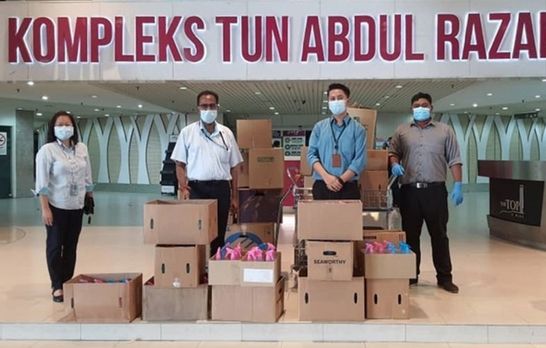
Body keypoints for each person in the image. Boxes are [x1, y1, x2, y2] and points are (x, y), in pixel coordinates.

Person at [388, 92, 463, 294]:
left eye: (424, 104)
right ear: (411, 108)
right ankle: (411, 276)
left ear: (431, 107)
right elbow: (393, 152)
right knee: (411, 236)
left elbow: (454, 159)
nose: (420, 108)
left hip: (435, 191)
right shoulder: (402, 131)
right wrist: (394, 164)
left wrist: (458, 184)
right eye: (416, 105)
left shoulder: (445, 131)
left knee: (439, 235)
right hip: (410, 192)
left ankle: (445, 278)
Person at [171, 90, 243, 256]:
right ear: (198, 108)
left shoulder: (226, 134)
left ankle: (215, 270)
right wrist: (183, 187)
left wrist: (235, 197)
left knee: (218, 234)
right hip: (197, 189)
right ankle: (198, 269)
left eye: (211, 106)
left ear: (217, 107)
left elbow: (235, 167)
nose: (208, 109)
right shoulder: (187, 133)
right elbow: (179, 163)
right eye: (204, 106)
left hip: (221, 189)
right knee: (198, 232)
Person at [35, 111, 94, 303]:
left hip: (76, 205)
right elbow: (42, 184)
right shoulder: (47, 150)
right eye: (59, 124)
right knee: (54, 247)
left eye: (67, 124)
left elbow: (87, 175)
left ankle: (67, 281)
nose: (64, 128)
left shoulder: (82, 148)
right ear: (53, 128)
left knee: (70, 247)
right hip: (56, 205)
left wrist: (89, 196)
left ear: (73, 127)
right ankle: (57, 286)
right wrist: (45, 209)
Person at [307, 83, 366, 200]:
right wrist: (327, 177)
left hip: (348, 186)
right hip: (322, 184)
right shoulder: (319, 127)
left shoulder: (358, 129)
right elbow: (311, 155)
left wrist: (340, 180)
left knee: (348, 219)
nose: (336, 101)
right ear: (328, 102)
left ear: (347, 101)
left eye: (340, 98)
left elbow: (359, 161)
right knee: (322, 219)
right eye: (332, 99)